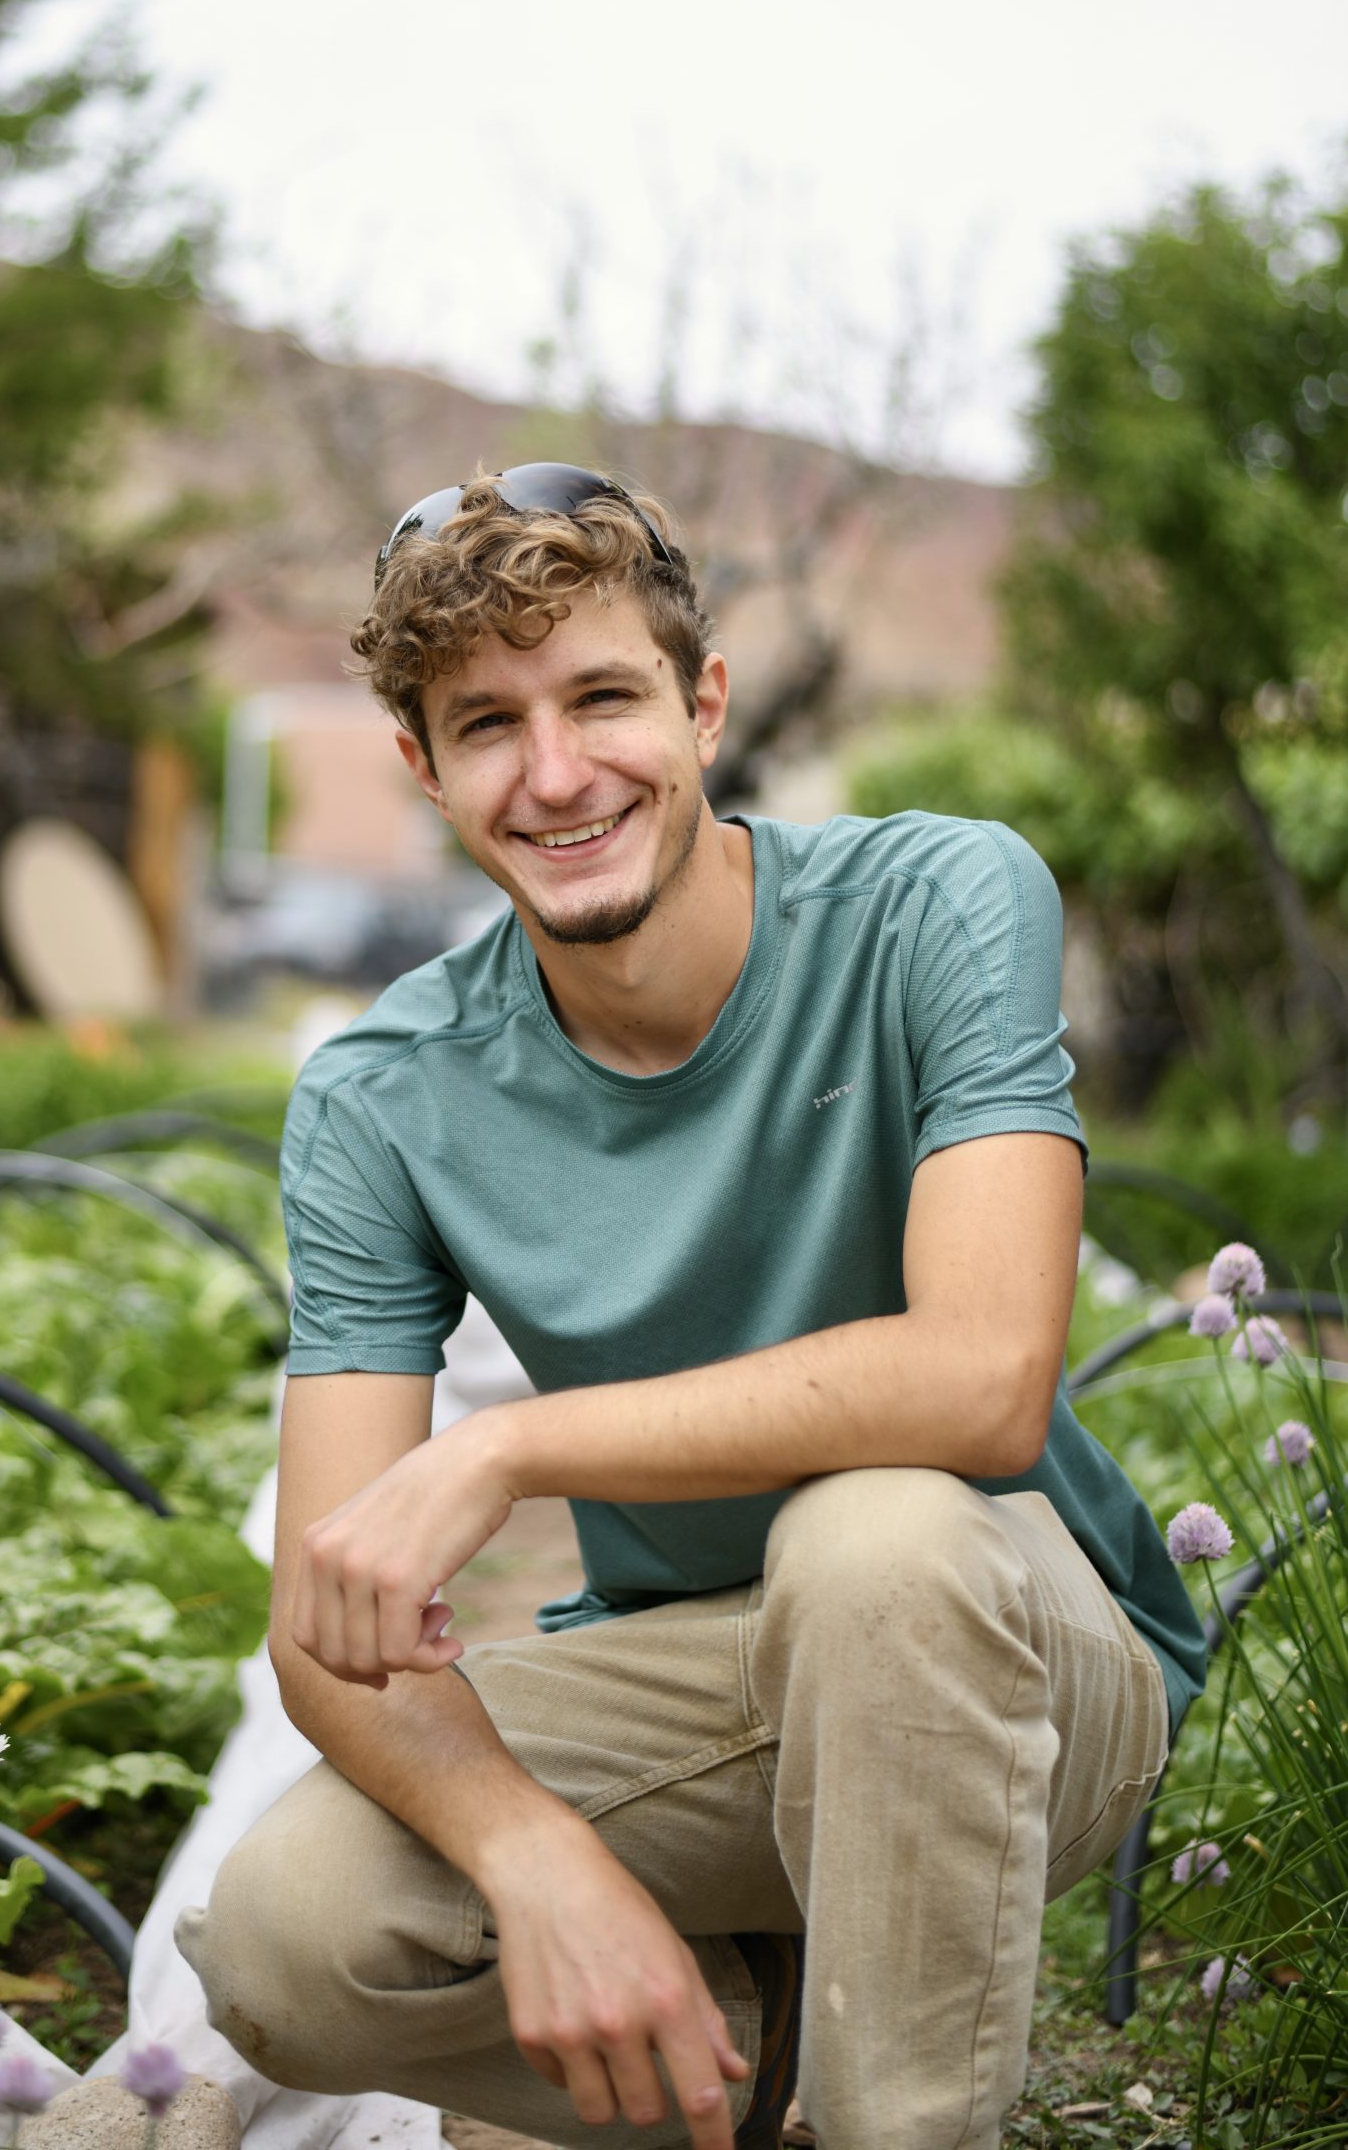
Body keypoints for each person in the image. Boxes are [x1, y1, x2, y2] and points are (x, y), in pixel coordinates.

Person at [179, 467, 1207, 2150]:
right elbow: (328, 1626)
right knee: (292, 1939)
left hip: (1012, 1639)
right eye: (488, 726)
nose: (560, 772)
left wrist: (505, 1456)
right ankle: (738, 2057)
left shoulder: (934, 904)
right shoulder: (384, 1094)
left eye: (601, 696)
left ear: (704, 704)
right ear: (424, 774)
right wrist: (539, 1856)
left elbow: (984, 1379)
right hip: (703, 1675)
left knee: (876, 1540)